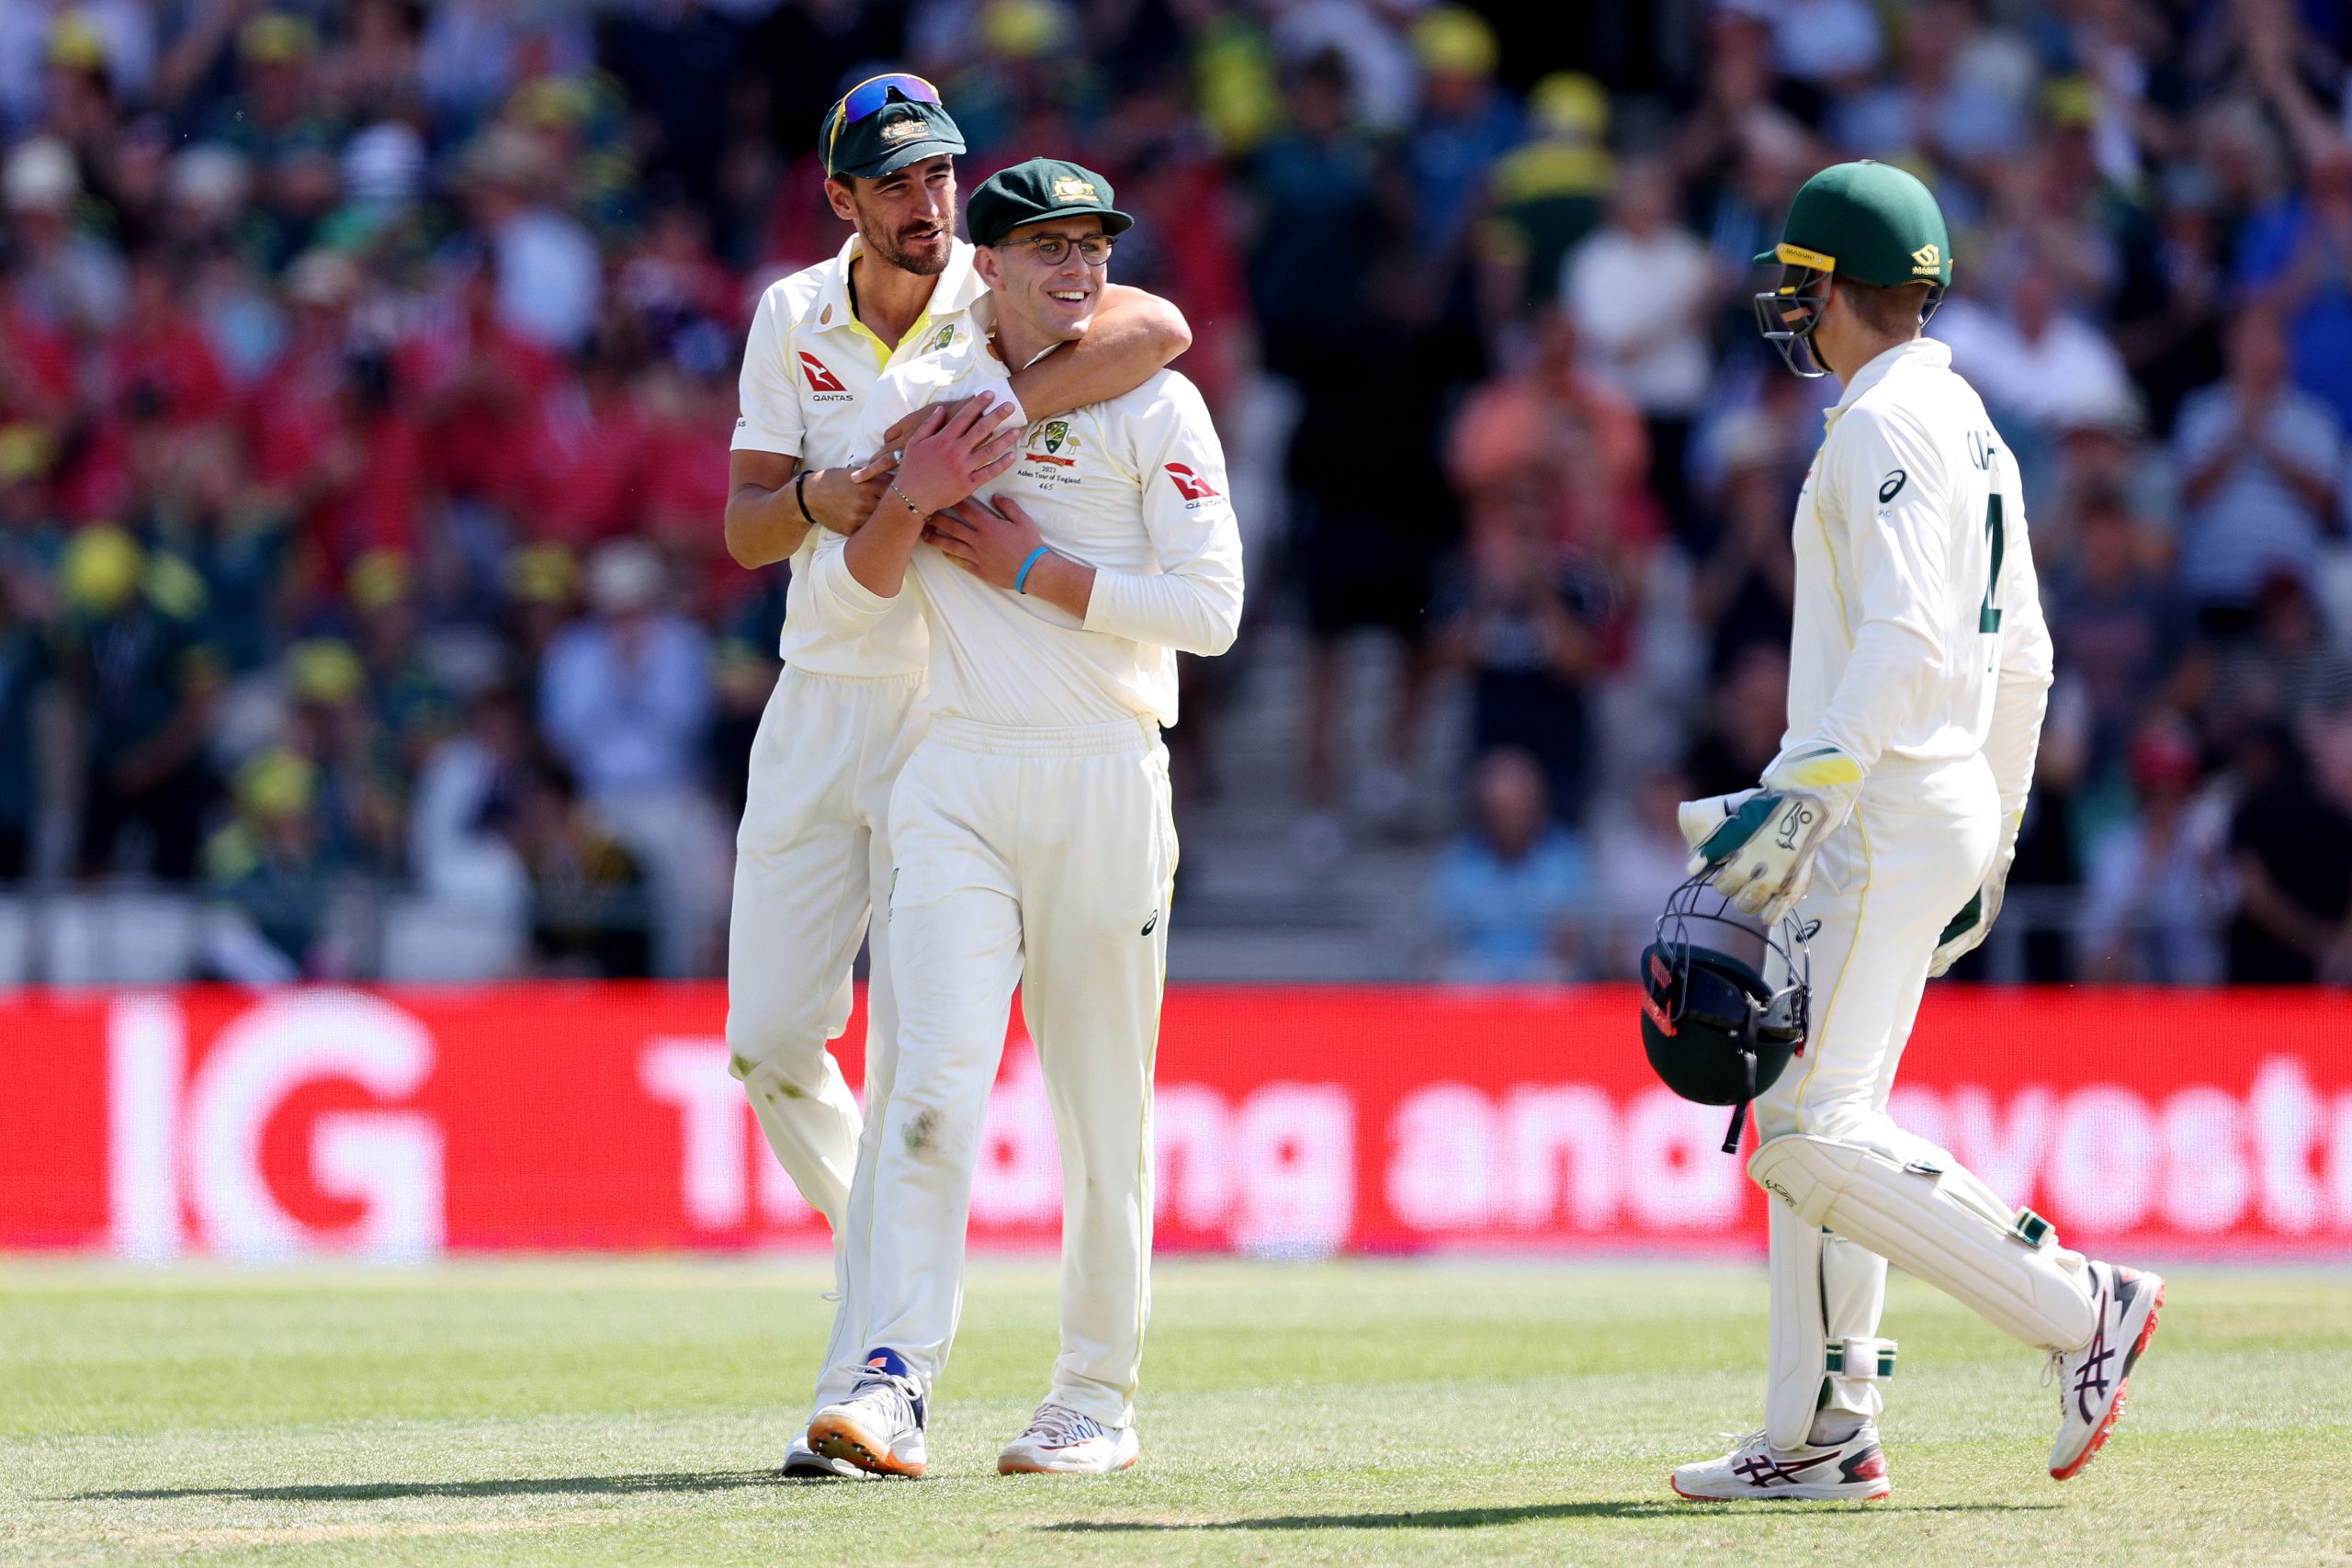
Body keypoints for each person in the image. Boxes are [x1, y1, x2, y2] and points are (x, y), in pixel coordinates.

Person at [1670, 162, 2163, 1503]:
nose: (1789, 304)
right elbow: (2031, 662)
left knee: (1808, 1138)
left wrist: (1798, 796)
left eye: (1798, 281)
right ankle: (1824, 1433)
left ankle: (2080, 1305)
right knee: (1808, 1111)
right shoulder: (1970, 421)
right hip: (1928, 797)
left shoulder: (1879, 428)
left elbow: (1901, 642)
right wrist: (1990, 835)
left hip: (1877, 806)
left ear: (1830, 286)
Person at [721, 76, 1190, 1480]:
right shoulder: (792, 315)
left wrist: (990, 411)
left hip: (954, 708)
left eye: (940, 175)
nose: (927, 201)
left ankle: (888, 1338)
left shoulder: (992, 293)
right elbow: (748, 525)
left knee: (942, 1067)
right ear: (844, 199)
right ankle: (895, 1265)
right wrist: (832, 495)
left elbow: (1157, 326)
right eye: (898, 182)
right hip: (823, 692)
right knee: (769, 1039)